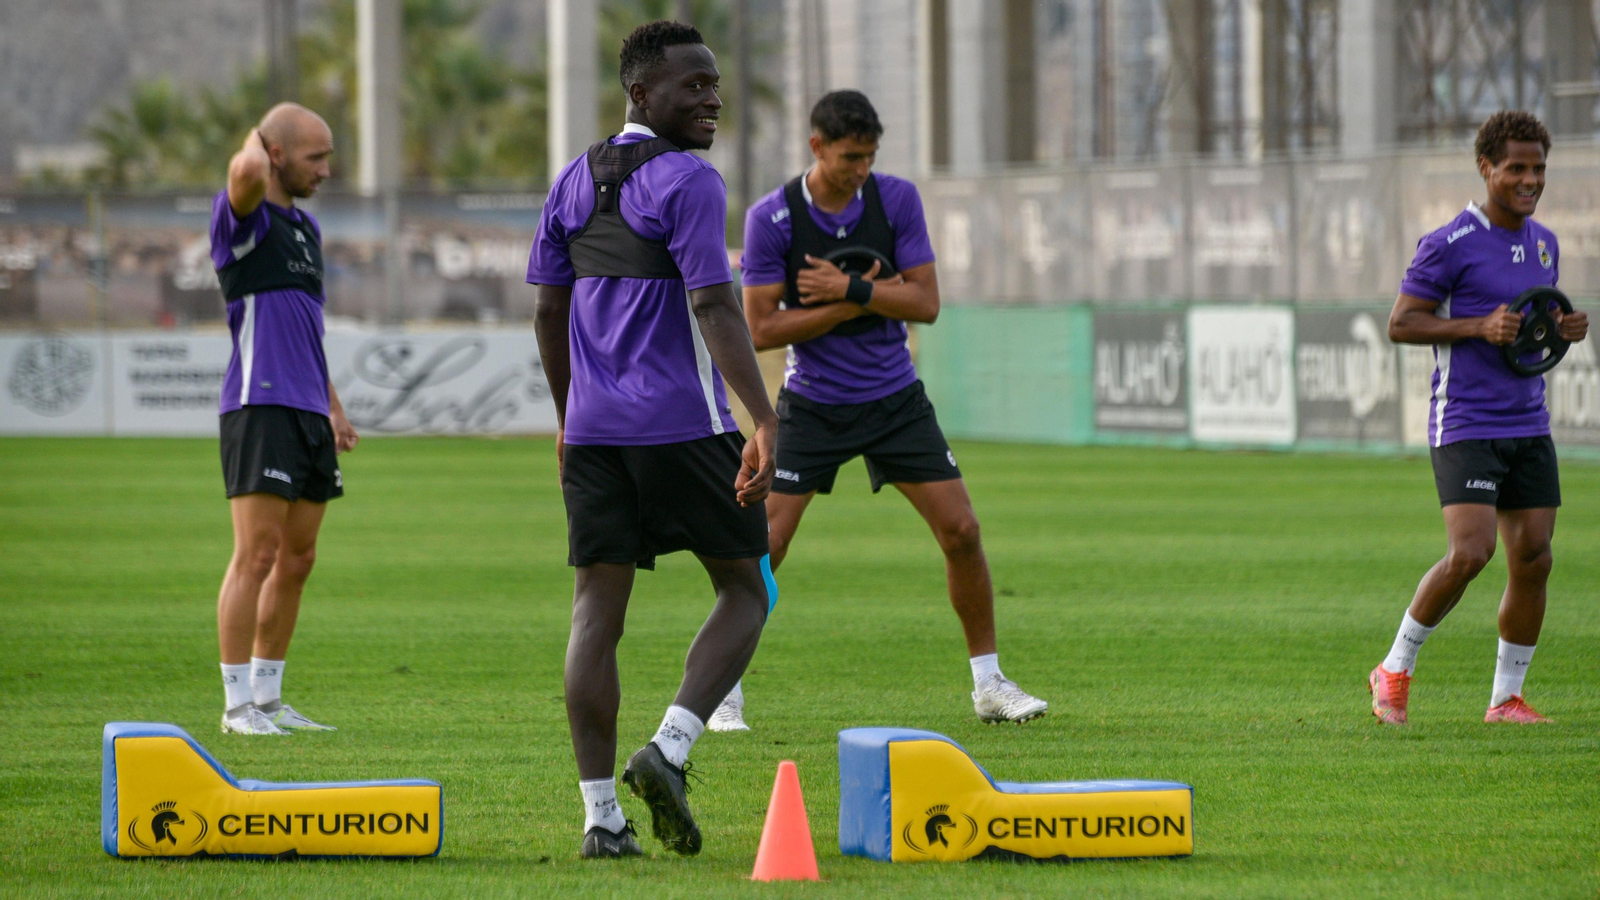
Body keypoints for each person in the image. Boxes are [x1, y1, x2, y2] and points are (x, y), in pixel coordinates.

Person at [708, 90, 1047, 734]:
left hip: (896, 401)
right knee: (765, 546)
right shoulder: (772, 217)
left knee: (963, 532)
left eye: (868, 157)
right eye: (848, 157)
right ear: (817, 147)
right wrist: (855, 303)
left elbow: (926, 304)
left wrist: (851, 288)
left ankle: (989, 684)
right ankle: (722, 690)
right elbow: (760, 328)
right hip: (812, 406)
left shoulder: (896, 201)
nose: (860, 169)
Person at [527, 21, 779, 860]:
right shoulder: (689, 182)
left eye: (714, 85)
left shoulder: (571, 180)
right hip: (682, 427)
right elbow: (712, 306)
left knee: (596, 613)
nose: (712, 98)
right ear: (642, 93)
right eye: (693, 86)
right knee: (747, 591)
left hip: (596, 437)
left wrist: (569, 416)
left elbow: (548, 311)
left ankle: (601, 819)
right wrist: (765, 419)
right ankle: (668, 749)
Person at [1369, 110, 1587, 726]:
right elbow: (1401, 322)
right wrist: (1476, 325)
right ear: (1486, 168)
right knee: (1471, 552)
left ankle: (1505, 700)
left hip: (1528, 423)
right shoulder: (1448, 243)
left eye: (1538, 168)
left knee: (1536, 558)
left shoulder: (1545, 243)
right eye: (1516, 168)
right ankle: (1394, 668)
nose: (1530, 179)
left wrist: (1562, 328)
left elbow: (1530, 328)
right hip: (1465, 421)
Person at [209, 103, 358, 736]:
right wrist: (262, 135)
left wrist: (332, 403)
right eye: (315, 156)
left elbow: (307, 324)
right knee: (257, 554)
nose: (327, 168)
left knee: (298, 559)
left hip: (306, 410)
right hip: (259, 403)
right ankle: (236, 705)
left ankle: (268, 700)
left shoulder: (305, 230)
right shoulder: (242, 218)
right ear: (276, 155)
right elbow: (243, 166)